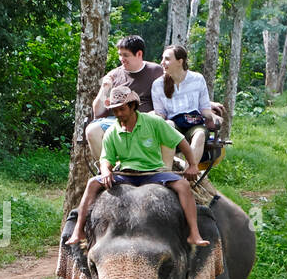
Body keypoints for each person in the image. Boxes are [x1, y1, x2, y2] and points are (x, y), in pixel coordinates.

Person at [67, 80, 210, 253]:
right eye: (115, 110)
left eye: (122, 109)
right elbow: (106, 158)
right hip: (125, 173)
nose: (119, 114)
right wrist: (105, 171)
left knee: (183, 185)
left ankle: (194, 233)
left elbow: (181, 141)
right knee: (91, 184)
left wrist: (193, 165)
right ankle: (78, 231)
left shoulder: (153, 122)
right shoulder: (113, 131)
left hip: (154, 172)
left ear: (132, 106)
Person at [84, 35, 162, 164]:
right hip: (116, 121)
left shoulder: (156, 71)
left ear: (139, 54)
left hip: (145, 121)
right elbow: (97, 112)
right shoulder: (114, 74)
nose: (121, 59)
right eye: (120, 55)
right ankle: (108, 170)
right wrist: (104, 88)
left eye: (126, 55)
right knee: (92, 130)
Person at [151, 43, 224, 172]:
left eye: (167, 59)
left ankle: (190, 171)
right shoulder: (158, 85)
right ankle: (165, 172)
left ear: (180, 61)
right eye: (162, 59)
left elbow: (204, 109)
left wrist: (213, 116)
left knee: (200, 134)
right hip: (174, 124)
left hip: (194, 123)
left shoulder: (197, 79)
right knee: (167, 125)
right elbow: (160, 115)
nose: (162, 63)